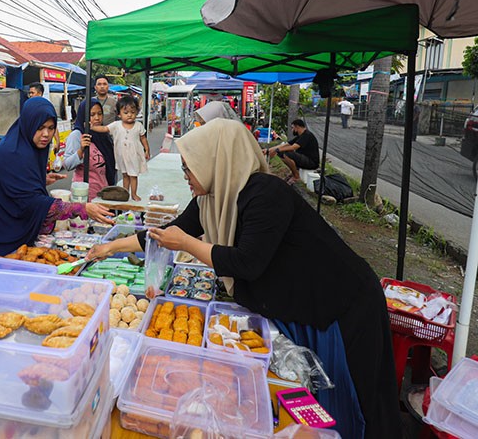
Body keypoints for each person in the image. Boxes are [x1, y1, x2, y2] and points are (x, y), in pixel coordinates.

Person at [87, 119, 401, 439]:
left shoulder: (266, 193)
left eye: (189, 167)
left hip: (341, 304)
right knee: (312, 396)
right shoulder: (211, 198)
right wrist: (108, 247)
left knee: (353, 397)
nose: (186, 176)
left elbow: (246, 263)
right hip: (299, 303)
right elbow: (166, 234)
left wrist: (188, 244)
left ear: (215, 160)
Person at [0, 97, 114, 258]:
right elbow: (29, 201)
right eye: (40, 128)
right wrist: (80, 208)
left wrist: (40, 180)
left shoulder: (29, 148)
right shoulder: (12, 154)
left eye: (51, 128)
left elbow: (15, 185)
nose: (46, 134)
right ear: (29, 124)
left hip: (5, 230)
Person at [91, 95, 150, 201]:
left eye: (133, 112)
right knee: (125, 175)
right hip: (121, 155)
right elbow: (104, 128)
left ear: (136, 112)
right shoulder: (116, 125)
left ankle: (134, 194)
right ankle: (125, 193)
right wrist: (92, 127)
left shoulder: (138, 125)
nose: (130, 115)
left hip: (133, 155)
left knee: (133, 175)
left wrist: (147, 150)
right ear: (119, 114)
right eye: (126, 113)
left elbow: (143, 138)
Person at [63, 99, 115, 200]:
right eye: (92, 115)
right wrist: (81, 151)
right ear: (84, 115)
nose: (97, 118)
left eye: (100, 114)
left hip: (104, 193)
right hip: (84, 196)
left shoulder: (103, 134)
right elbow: (67, 165)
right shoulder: (77, 135)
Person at [267, 119, 319, 184]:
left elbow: (293, 147)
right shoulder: (300, 136)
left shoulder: (307, 135)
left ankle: (296, 176)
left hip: (311, 162)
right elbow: (286, 144)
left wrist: (277, 150)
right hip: (305, 159)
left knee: (286, 154)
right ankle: (294, 173)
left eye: (292, 128)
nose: (292, 130)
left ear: (297, 127)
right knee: (281, 153)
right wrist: (268, 150)